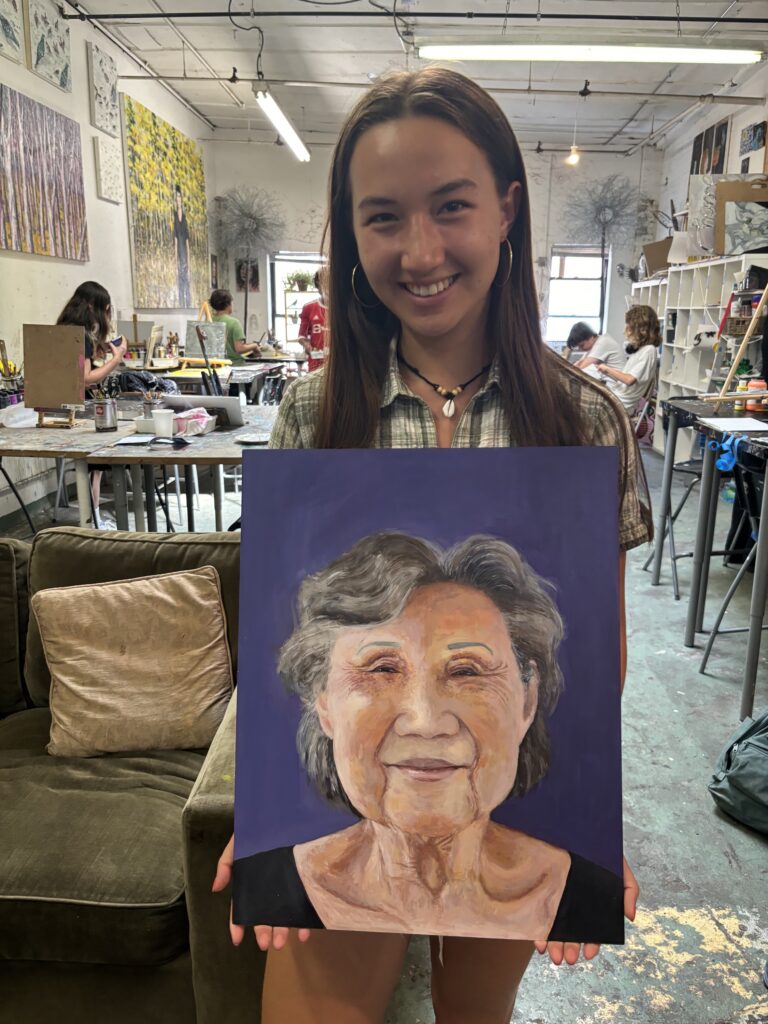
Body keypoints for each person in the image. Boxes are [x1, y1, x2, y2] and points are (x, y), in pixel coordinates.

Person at [213, 66, 651, 1024]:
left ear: (506, 209)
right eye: (383, 217)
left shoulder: (584, 419)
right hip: (340, 811)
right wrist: (265, 809)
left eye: (450, 206)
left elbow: (601, 655)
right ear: (350, 232)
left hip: (513, 806)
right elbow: (281, 644)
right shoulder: (310, 411)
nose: (420, 251)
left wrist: (590, 821)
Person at [234, 531, 624, 943]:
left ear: (526, 702)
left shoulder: (586, 897)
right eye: (382, 669)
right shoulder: (268, 889)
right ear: (324, 701)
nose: (425, 721)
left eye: (467, 671)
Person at [56, 281, 127, 527]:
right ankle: (93, 519)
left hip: (57, 405)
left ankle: (93, 516)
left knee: (90, 465)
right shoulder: (81, 335)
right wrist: (115, 359)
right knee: (93, 464)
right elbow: (85, 379)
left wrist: (97, 353)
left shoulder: (63, 328)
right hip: (78, 408)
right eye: (105, 309)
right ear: (92, 306)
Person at [596, 305, 660, 414]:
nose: (626, 331)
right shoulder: (640, 350)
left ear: (640, 329)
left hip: (621, 404)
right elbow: (626, 379)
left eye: (629, 327)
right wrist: (606, 373)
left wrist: (607, 369)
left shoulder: (649, 351)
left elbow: (629, 380)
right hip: (617, 397)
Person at [209, 288, 262, 363]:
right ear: (228, 304)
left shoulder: (208, 321)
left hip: (215, 364)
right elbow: (239, 349)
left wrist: (249, 344)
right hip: (234, 364)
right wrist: (255, 346)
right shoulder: (234, 323)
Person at [298, 268, 329, 372]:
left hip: (337, 363)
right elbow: (302, 336)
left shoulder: (342, 309)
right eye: (322, 283)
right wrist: (306, 345)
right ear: (318, 286)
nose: (326, 287)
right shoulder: (309, 308)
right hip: (316, 362)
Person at [173, 185, 192, 307]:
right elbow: (175, 240)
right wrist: (175, 261)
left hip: (184, 252)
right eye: (176, 197)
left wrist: (189, 261)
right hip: (179, 252)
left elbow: (187, 241)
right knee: (180, 281)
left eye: (179, 196)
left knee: (187, 282)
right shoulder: (174, 216)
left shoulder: (184, 217)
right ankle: (181, 304)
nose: (178, 199)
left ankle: (188, 303)